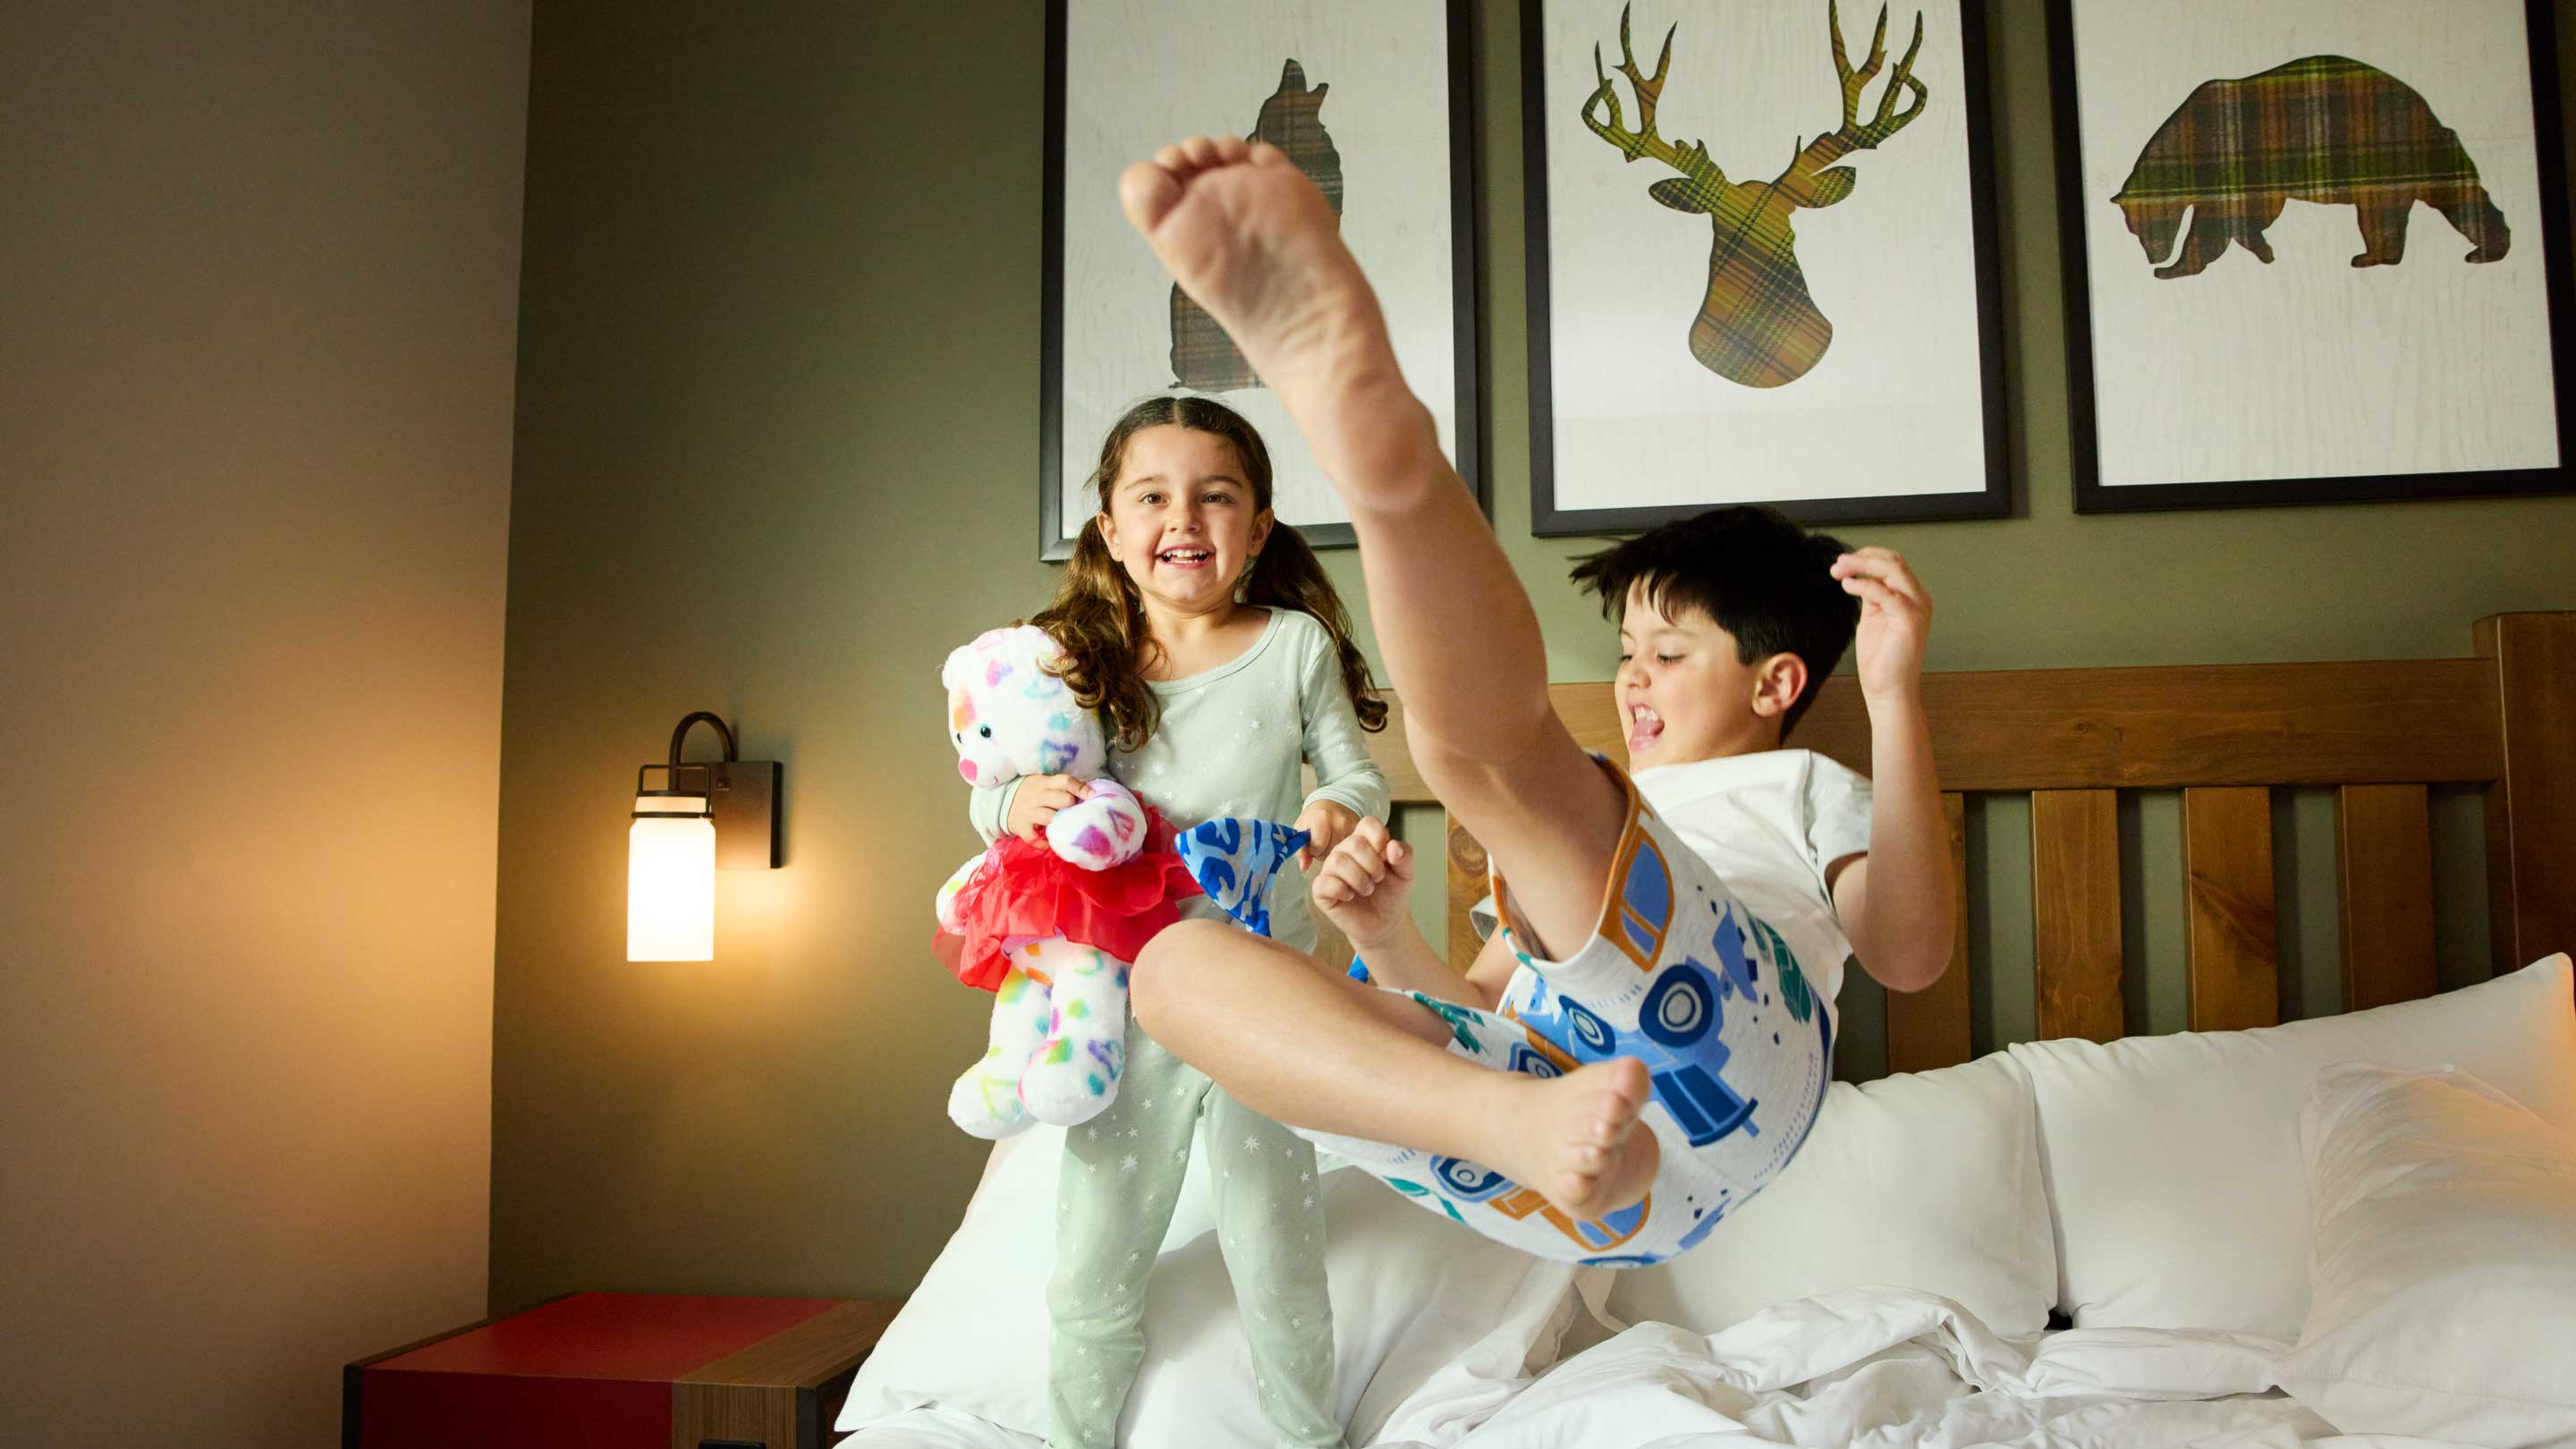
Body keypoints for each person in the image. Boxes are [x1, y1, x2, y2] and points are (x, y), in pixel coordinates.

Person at [1114, 135, 1954, 1267]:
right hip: (1567, 1158)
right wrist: (1382, 937)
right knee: (1171, 971)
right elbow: (1471, 1008)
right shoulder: (1567, 855)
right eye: (1627, 653)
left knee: (1496, 771)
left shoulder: (1795, 788)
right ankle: (1502, 1118)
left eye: (1667, 653)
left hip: (1742, 1077)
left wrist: (1896, 697)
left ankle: (1393, 474)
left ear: (1777, 683)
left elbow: (1907, 956)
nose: (1632, 679)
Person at [971, 392, 1388, 1448]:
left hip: (1264, 1004)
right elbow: (1003, 777)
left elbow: (1354, 772)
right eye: (1151, 498)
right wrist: (1004, 804)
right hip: (1130, 1004)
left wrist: (1339, 809)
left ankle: (1307, 1438)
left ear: (1257, 526)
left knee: (1277, 1260)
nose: (1184, 520)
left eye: (1216, 497)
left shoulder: (1293, 647)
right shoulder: (1072, 661)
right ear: (1110, 529)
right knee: (1094, 1263)